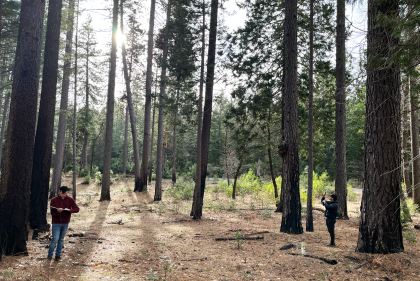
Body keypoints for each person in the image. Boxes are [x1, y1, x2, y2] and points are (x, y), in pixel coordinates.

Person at [47, 186, 79, 261]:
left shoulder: (70, 199)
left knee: (61, 240)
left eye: (65, 193)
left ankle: (58, 255)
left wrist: (69, 210)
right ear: (59, 192)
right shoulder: (53, 200)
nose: (64, 195)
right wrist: (58, 212)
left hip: (65, 222)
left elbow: (77, 209)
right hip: (56, 223)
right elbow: (52, 212)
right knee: (55, 239)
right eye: (63, 193)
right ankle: (50, 255)